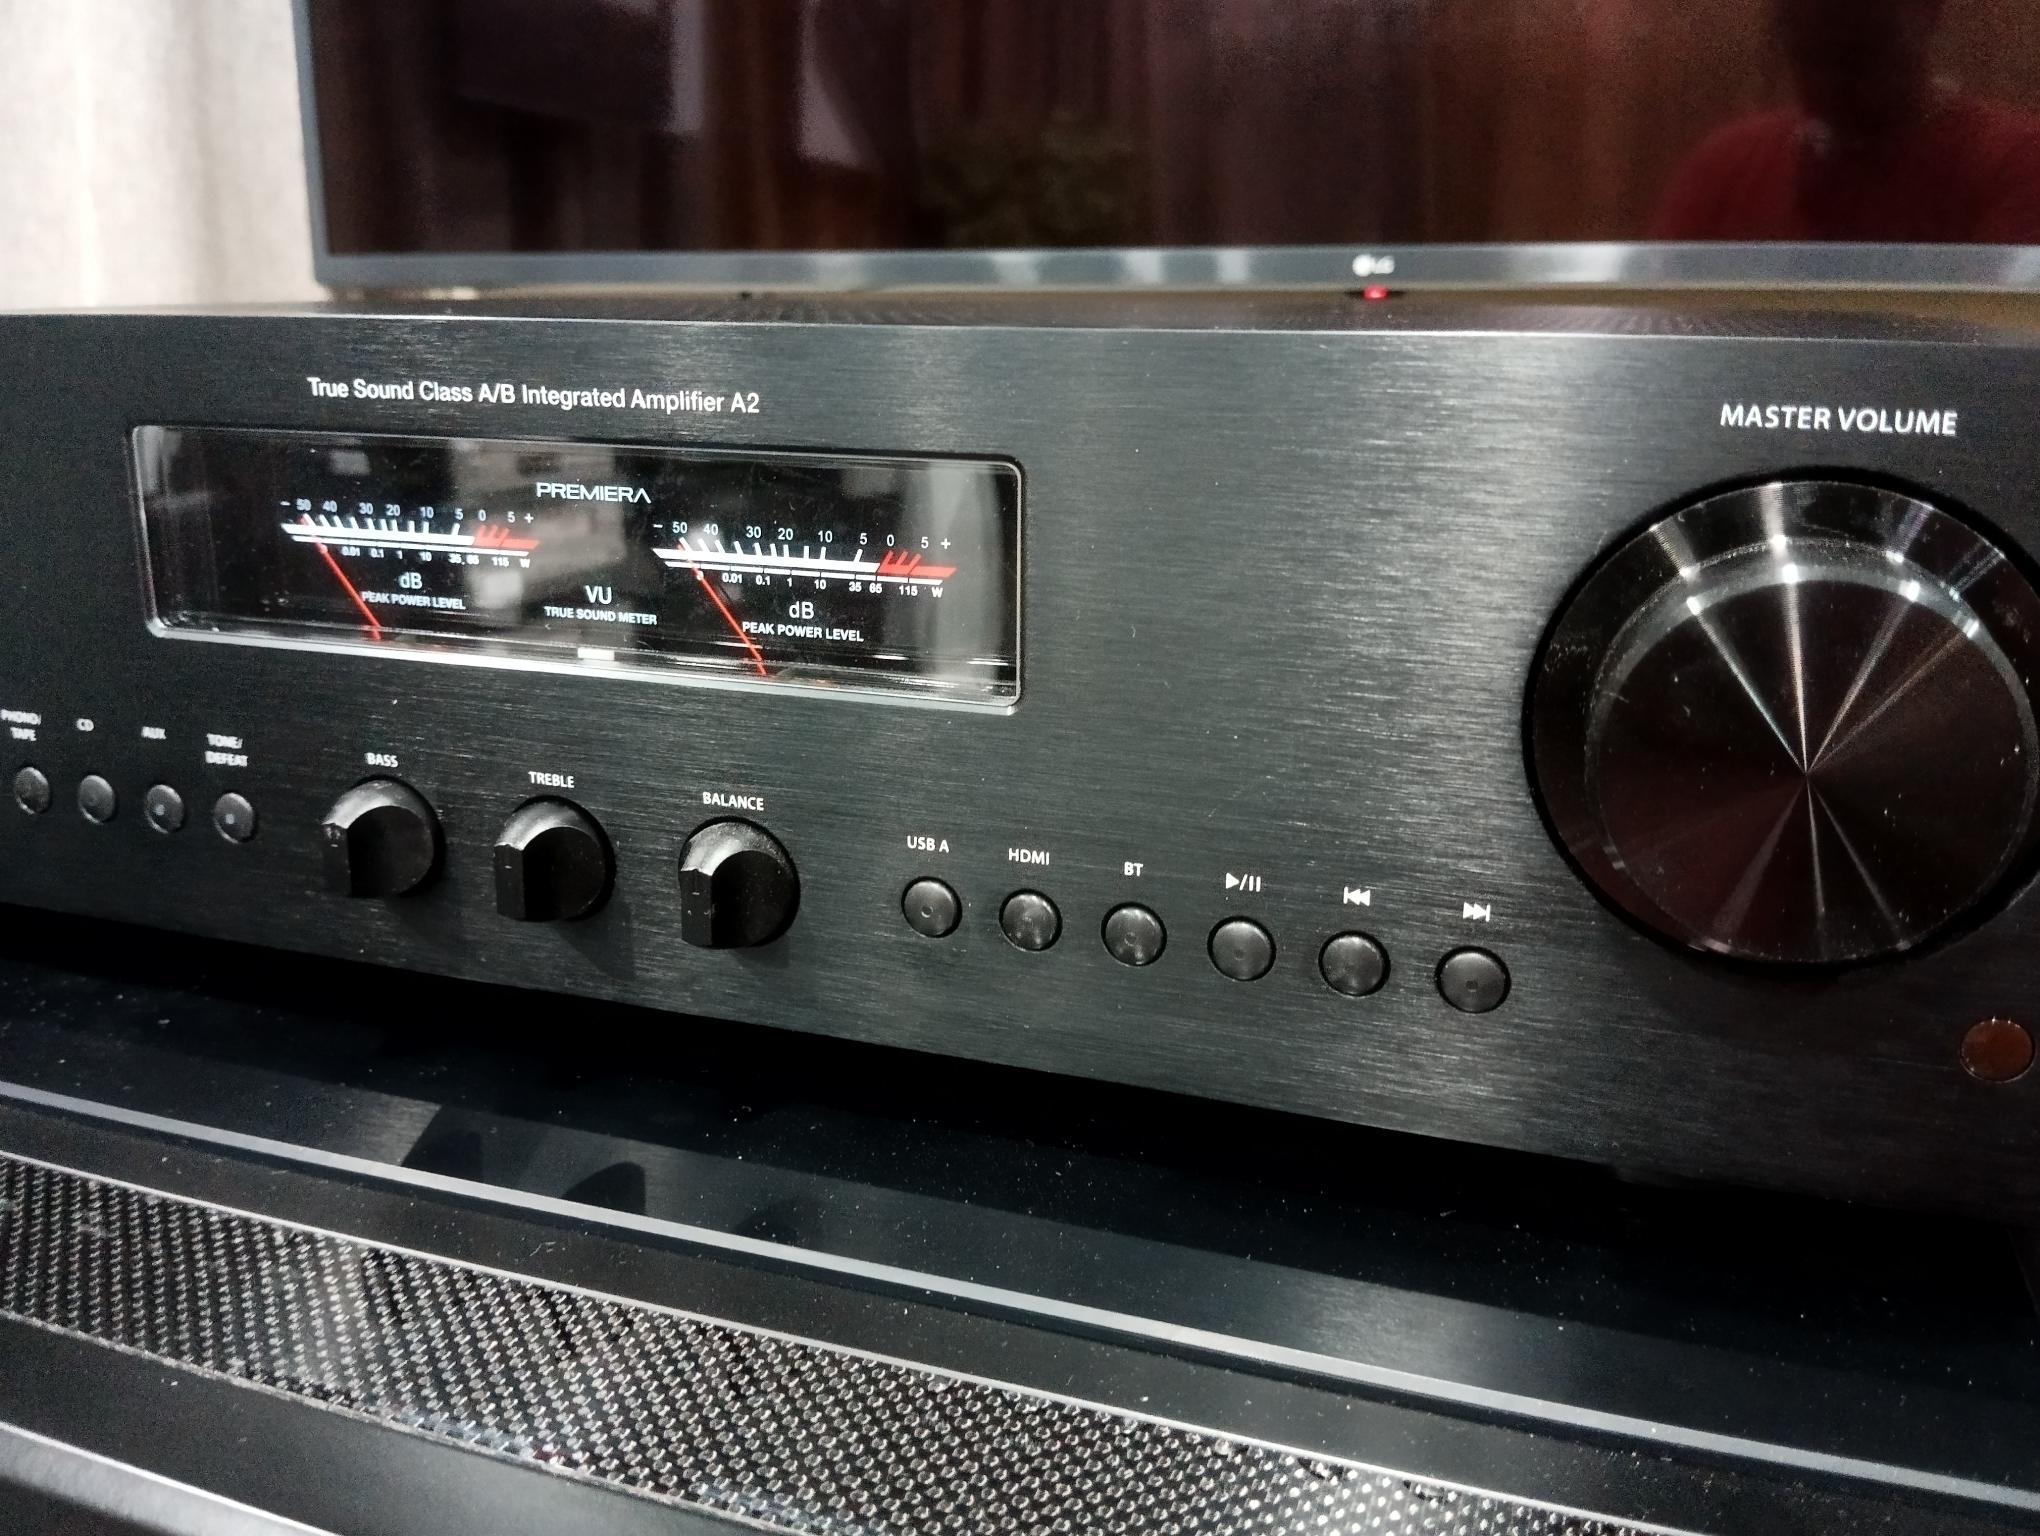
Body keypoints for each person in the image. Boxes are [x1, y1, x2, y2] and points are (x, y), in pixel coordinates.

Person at [1649, 0, 2040, 242]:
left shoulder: (2015, 165)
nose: (1832, 85)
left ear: (1928, 11)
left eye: (1859, 53)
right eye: (1810, 56)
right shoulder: (1723, 170)